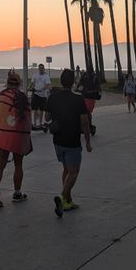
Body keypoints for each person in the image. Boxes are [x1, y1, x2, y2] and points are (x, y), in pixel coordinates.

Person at [45, 68, 91, 216]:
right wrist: (88, 142)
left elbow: (47, 118)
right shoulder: (78, 99)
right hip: (72, 141)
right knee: (74, 172)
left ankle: (68, 202)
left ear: (61, 81)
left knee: (66, 169)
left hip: (57, 141)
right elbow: (85, 122)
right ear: (72, 83)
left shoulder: (52, 97)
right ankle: (61, 196)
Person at [0, 70, 32, 207]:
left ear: (7, 83)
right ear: (19, 84)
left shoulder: (1, 96)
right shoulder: (22, 97)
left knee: (1, 163)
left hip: (2, 134)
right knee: (18, 164)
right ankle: (17, 193)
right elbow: (27, 120)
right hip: (18, 135)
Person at [76, 69, 100, 135]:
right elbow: (79, 84)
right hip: (88, 97)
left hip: (89, 97)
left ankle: (89, 126)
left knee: (86, 112)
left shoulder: (91, 77)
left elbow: (79, 85)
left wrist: (78, 89)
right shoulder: (92, 77)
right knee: (86, 112)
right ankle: (88, 126)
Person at [30, 63, 52, 130]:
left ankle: (40, 123)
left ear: (44, 69)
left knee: (42, 110)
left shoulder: (46, 76)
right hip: (36, 94)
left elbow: (48, 84)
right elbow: (32, 83)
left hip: (43, 95)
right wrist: (30, 87)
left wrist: (42, 89)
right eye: (40, 68)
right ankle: (34, 123)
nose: (41, 69)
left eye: (42, 68)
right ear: (38, 69)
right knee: (35, 109)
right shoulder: (35, 75)